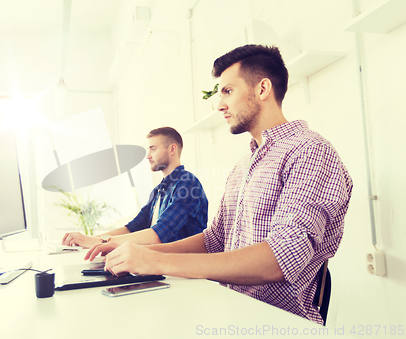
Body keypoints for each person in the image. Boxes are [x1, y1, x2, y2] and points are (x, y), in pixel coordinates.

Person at [84, 45, 353, 325]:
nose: (219, 105)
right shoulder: (242, 167)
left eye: (227, 91)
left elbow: (280, 259)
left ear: (262, 89)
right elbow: (214, 241)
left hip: (275, 324)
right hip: (228, 310)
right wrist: (139, 254)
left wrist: (156, 262)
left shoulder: (309, 151)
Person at [62, 127, 208, 249]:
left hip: (185, 274)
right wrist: (89, 240)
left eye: (153, 149)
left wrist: (100, 242)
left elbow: (160, 233)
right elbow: (132, 228)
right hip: (160, 267)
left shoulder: (188, 184)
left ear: (172, 149)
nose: (148, 156)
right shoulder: (159, 190)